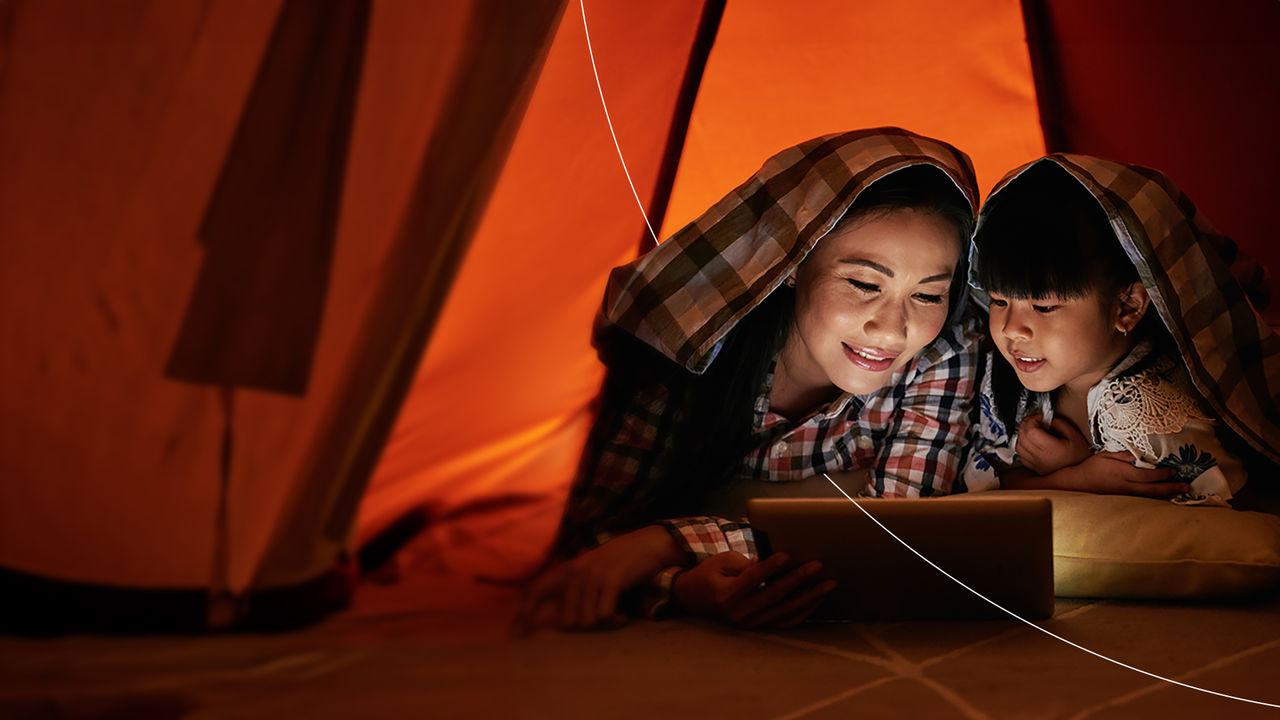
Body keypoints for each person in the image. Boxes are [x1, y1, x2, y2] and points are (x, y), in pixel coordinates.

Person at [515, 128, 984, 633]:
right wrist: (678, 587)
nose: (893, 328)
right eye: (864, 284)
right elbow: (591, 541)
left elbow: (891, 534)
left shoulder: (945, 350)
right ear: (790, 266)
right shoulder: (693, 347)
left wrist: (664, 543)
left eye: (929, 296)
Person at [963, 157, 1280, 507]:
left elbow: (1241, 525)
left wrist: (1073, 480)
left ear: (1127, 307)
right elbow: (979, 488)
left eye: (1044, 307)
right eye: (999, 301)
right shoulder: (1007, 379)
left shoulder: (1147, 419)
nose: (1011, 329)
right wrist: (1073, 478)